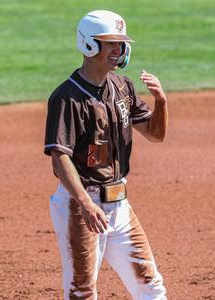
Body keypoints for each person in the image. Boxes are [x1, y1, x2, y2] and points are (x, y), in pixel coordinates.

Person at [44, 10, 168, 299]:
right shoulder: (67, 97)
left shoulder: (122, 86)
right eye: (110, 43)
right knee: (82, 291)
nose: (118, 50)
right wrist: (86, 204)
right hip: (81, 207)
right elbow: (60, 158)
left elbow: (155, 134)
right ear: (89, 44)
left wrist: (161, 101)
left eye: (121, 44)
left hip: (120, 205)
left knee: (150, 283)